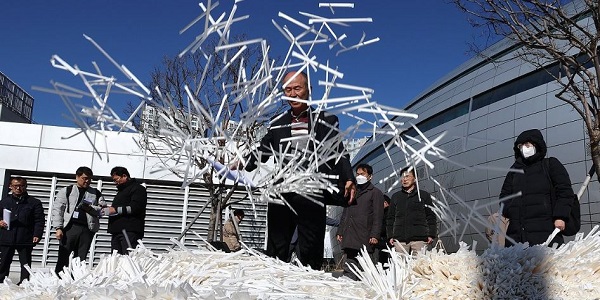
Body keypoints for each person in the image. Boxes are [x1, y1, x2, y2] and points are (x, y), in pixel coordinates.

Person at [242, 71, 356, 270]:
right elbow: (263, 150)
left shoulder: (326, 119)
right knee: (277, 246)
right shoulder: (277, 123)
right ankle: (275, 282)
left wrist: (348, 176)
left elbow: (338, 150)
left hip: (311, 188)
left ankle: (309, 282)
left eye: (297, 88)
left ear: (308, 91)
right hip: (283, 189)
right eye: (288, 90)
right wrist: (241, 162)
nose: (292, 94)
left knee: (310, 247)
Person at [499, 129, 575, 247]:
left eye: (527, 145)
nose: (524, 148)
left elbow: (565, 192)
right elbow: (504, 197)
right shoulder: (514, 171)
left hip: (546, 234)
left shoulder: (550, 165)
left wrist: (560, 216)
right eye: (521, 146)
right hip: (516, 237)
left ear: (537, 145)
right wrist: (512, 211)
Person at [52, 166, 106, 277]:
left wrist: (91, 208)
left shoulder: (95, 193)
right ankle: (59, 279)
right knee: (64, 255)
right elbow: (58, 210)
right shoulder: (67, 191)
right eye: (84, 178)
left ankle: (76, 279)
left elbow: (103, 210)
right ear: (77, 177)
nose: (87, 181)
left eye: (90, 179)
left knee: (80, 258)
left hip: (87, 229)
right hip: (70, 228)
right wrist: (58, 228)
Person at [336, 163, 384, 280]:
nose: (359, 176)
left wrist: (375, 234)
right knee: (349, 267)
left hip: (365, 235)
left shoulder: (375, 192)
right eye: (357, 174)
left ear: (370, 176)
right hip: (350, 234)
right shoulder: (353, 191)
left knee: (366, 269)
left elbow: (378, 216)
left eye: (362, 174)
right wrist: (340, 231)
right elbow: (345, 213)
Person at [0, 177, 45, 284]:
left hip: (25, 237)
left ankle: (24, 284)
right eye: (15, 186)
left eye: (21, 186)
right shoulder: (4, 202)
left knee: (25, 264)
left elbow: (39, 220)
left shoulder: (34, 203)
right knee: (3, 262)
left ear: (25, 186)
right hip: (7, 237)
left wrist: (37, 234)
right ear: (10, 187)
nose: (18, 188)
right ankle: (1, 283)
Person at [387, 167, 437, 255]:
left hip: (419, 238)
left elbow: (430, 216)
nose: (404, 179)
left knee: (419, 266)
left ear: (415, 179)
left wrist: (431, 234)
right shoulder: (396, 196)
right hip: (400, 239)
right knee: (400, 266)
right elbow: (390, 218)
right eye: (402, 177)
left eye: (407, 176)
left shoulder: (423, 195)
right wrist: (390, 236)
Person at [105, 166, 147, 254]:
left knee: (128, 258)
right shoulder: (121, 192)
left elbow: (135, 207)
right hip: (117, 231)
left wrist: (115, 210)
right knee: (116, 259)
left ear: (124, 176)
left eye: (116, 179)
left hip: (129, 231)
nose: (115, 183)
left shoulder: (138, 189)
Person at [373, 195, 391, 266]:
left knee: (384, 262)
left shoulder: (387, 213)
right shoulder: (384, 213)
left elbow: (384, 228)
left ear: (385, 203)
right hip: (385, 242)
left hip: (386, 242)